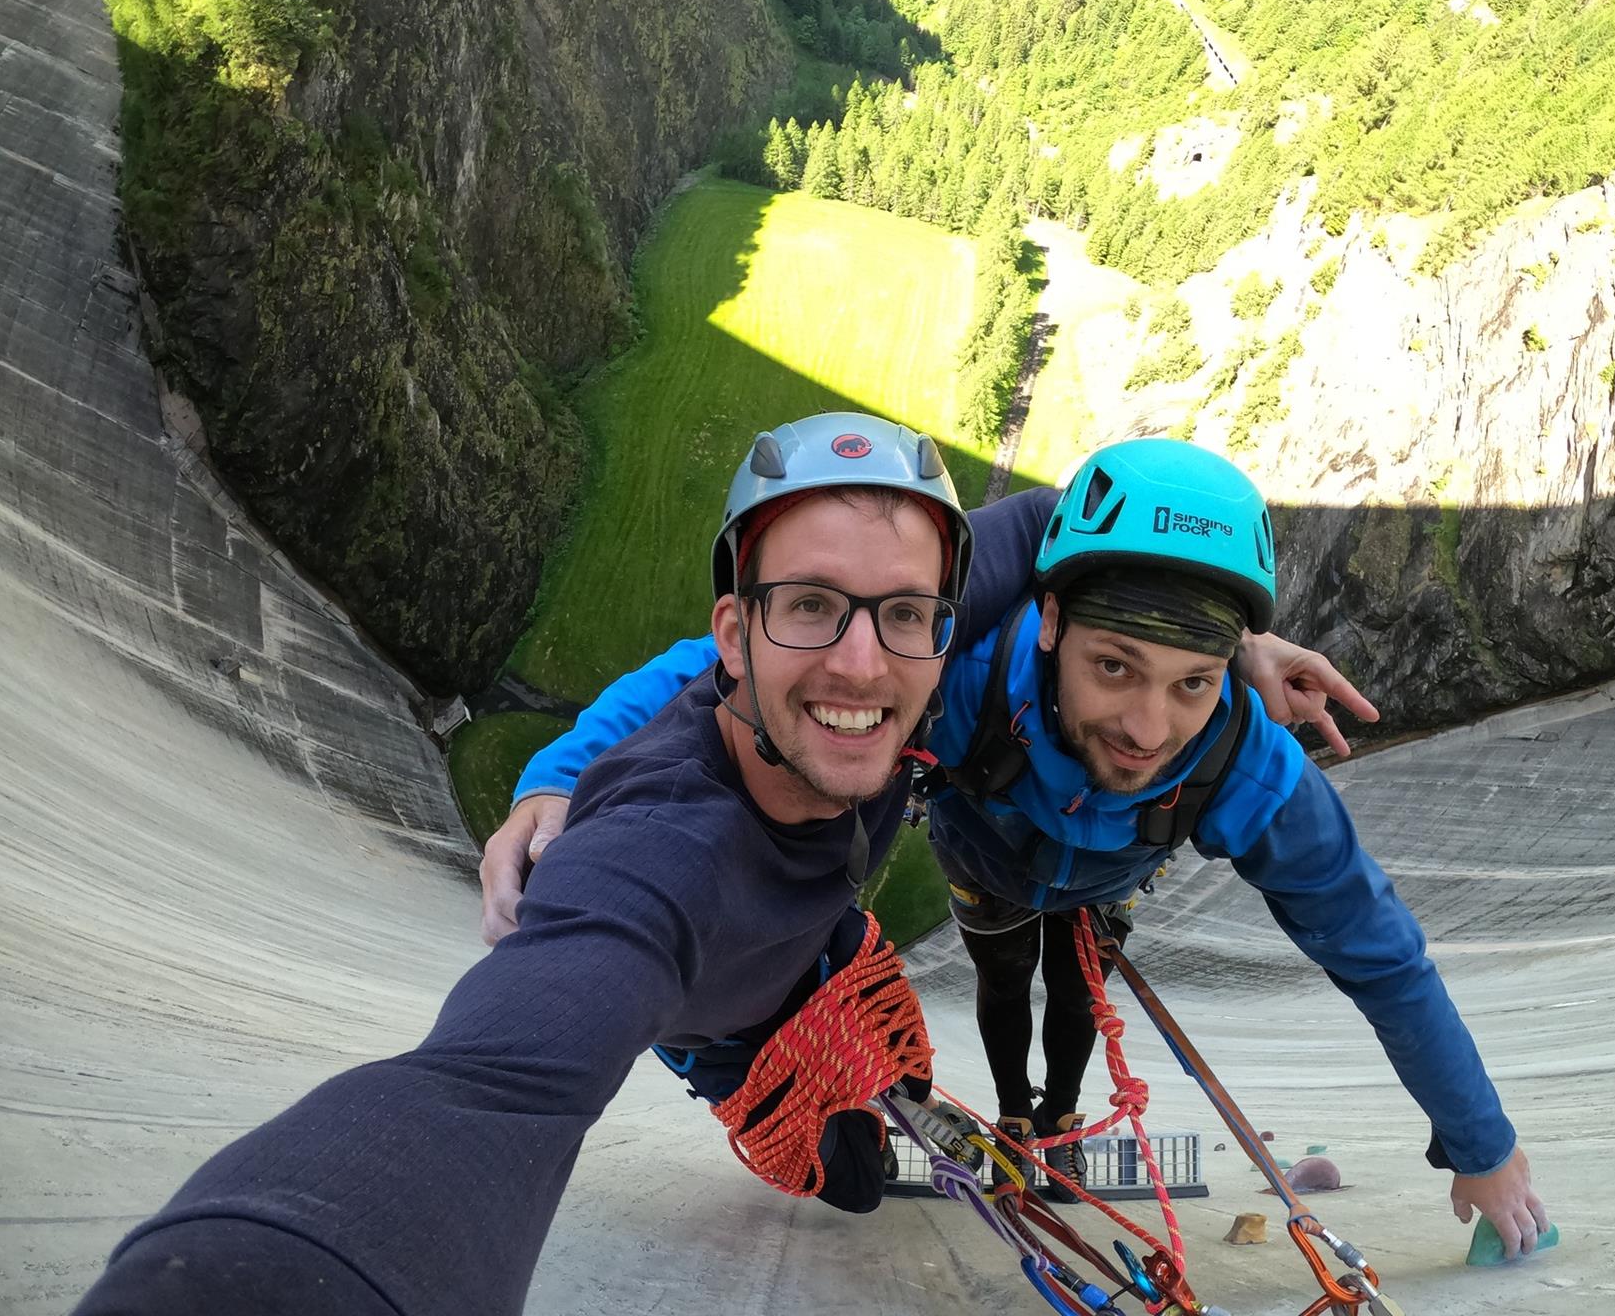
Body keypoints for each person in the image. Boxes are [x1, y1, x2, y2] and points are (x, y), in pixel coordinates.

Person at [70, 412, 1047, 1316]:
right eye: (811, 606)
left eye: (904, 615)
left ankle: (904, 1103)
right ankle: (886, 1132)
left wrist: (554, 772)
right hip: (733, 1027)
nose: (864, 665)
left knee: (901, 1074)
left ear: (938, 621)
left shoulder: (890, 645)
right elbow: (493, 1083)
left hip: (818, 938)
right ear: (734, 638)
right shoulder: (660, 853)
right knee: (858, 1181)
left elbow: (1059, 518)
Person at [485, 438, 1553, 1256]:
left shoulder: (1245, 762)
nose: (1148, 728)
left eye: (1192, 682)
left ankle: (1055, 1118)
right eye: (1114, 668)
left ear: (1230, 666)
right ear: (1046, 622)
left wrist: (1484, 1145)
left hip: (1032, 861)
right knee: (1007, 985)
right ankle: (1012, 1114)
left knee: (1072, 998)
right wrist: (562, 779)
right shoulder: (955, 667)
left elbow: (1379, 951)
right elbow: (729, 667)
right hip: (1007, 861)